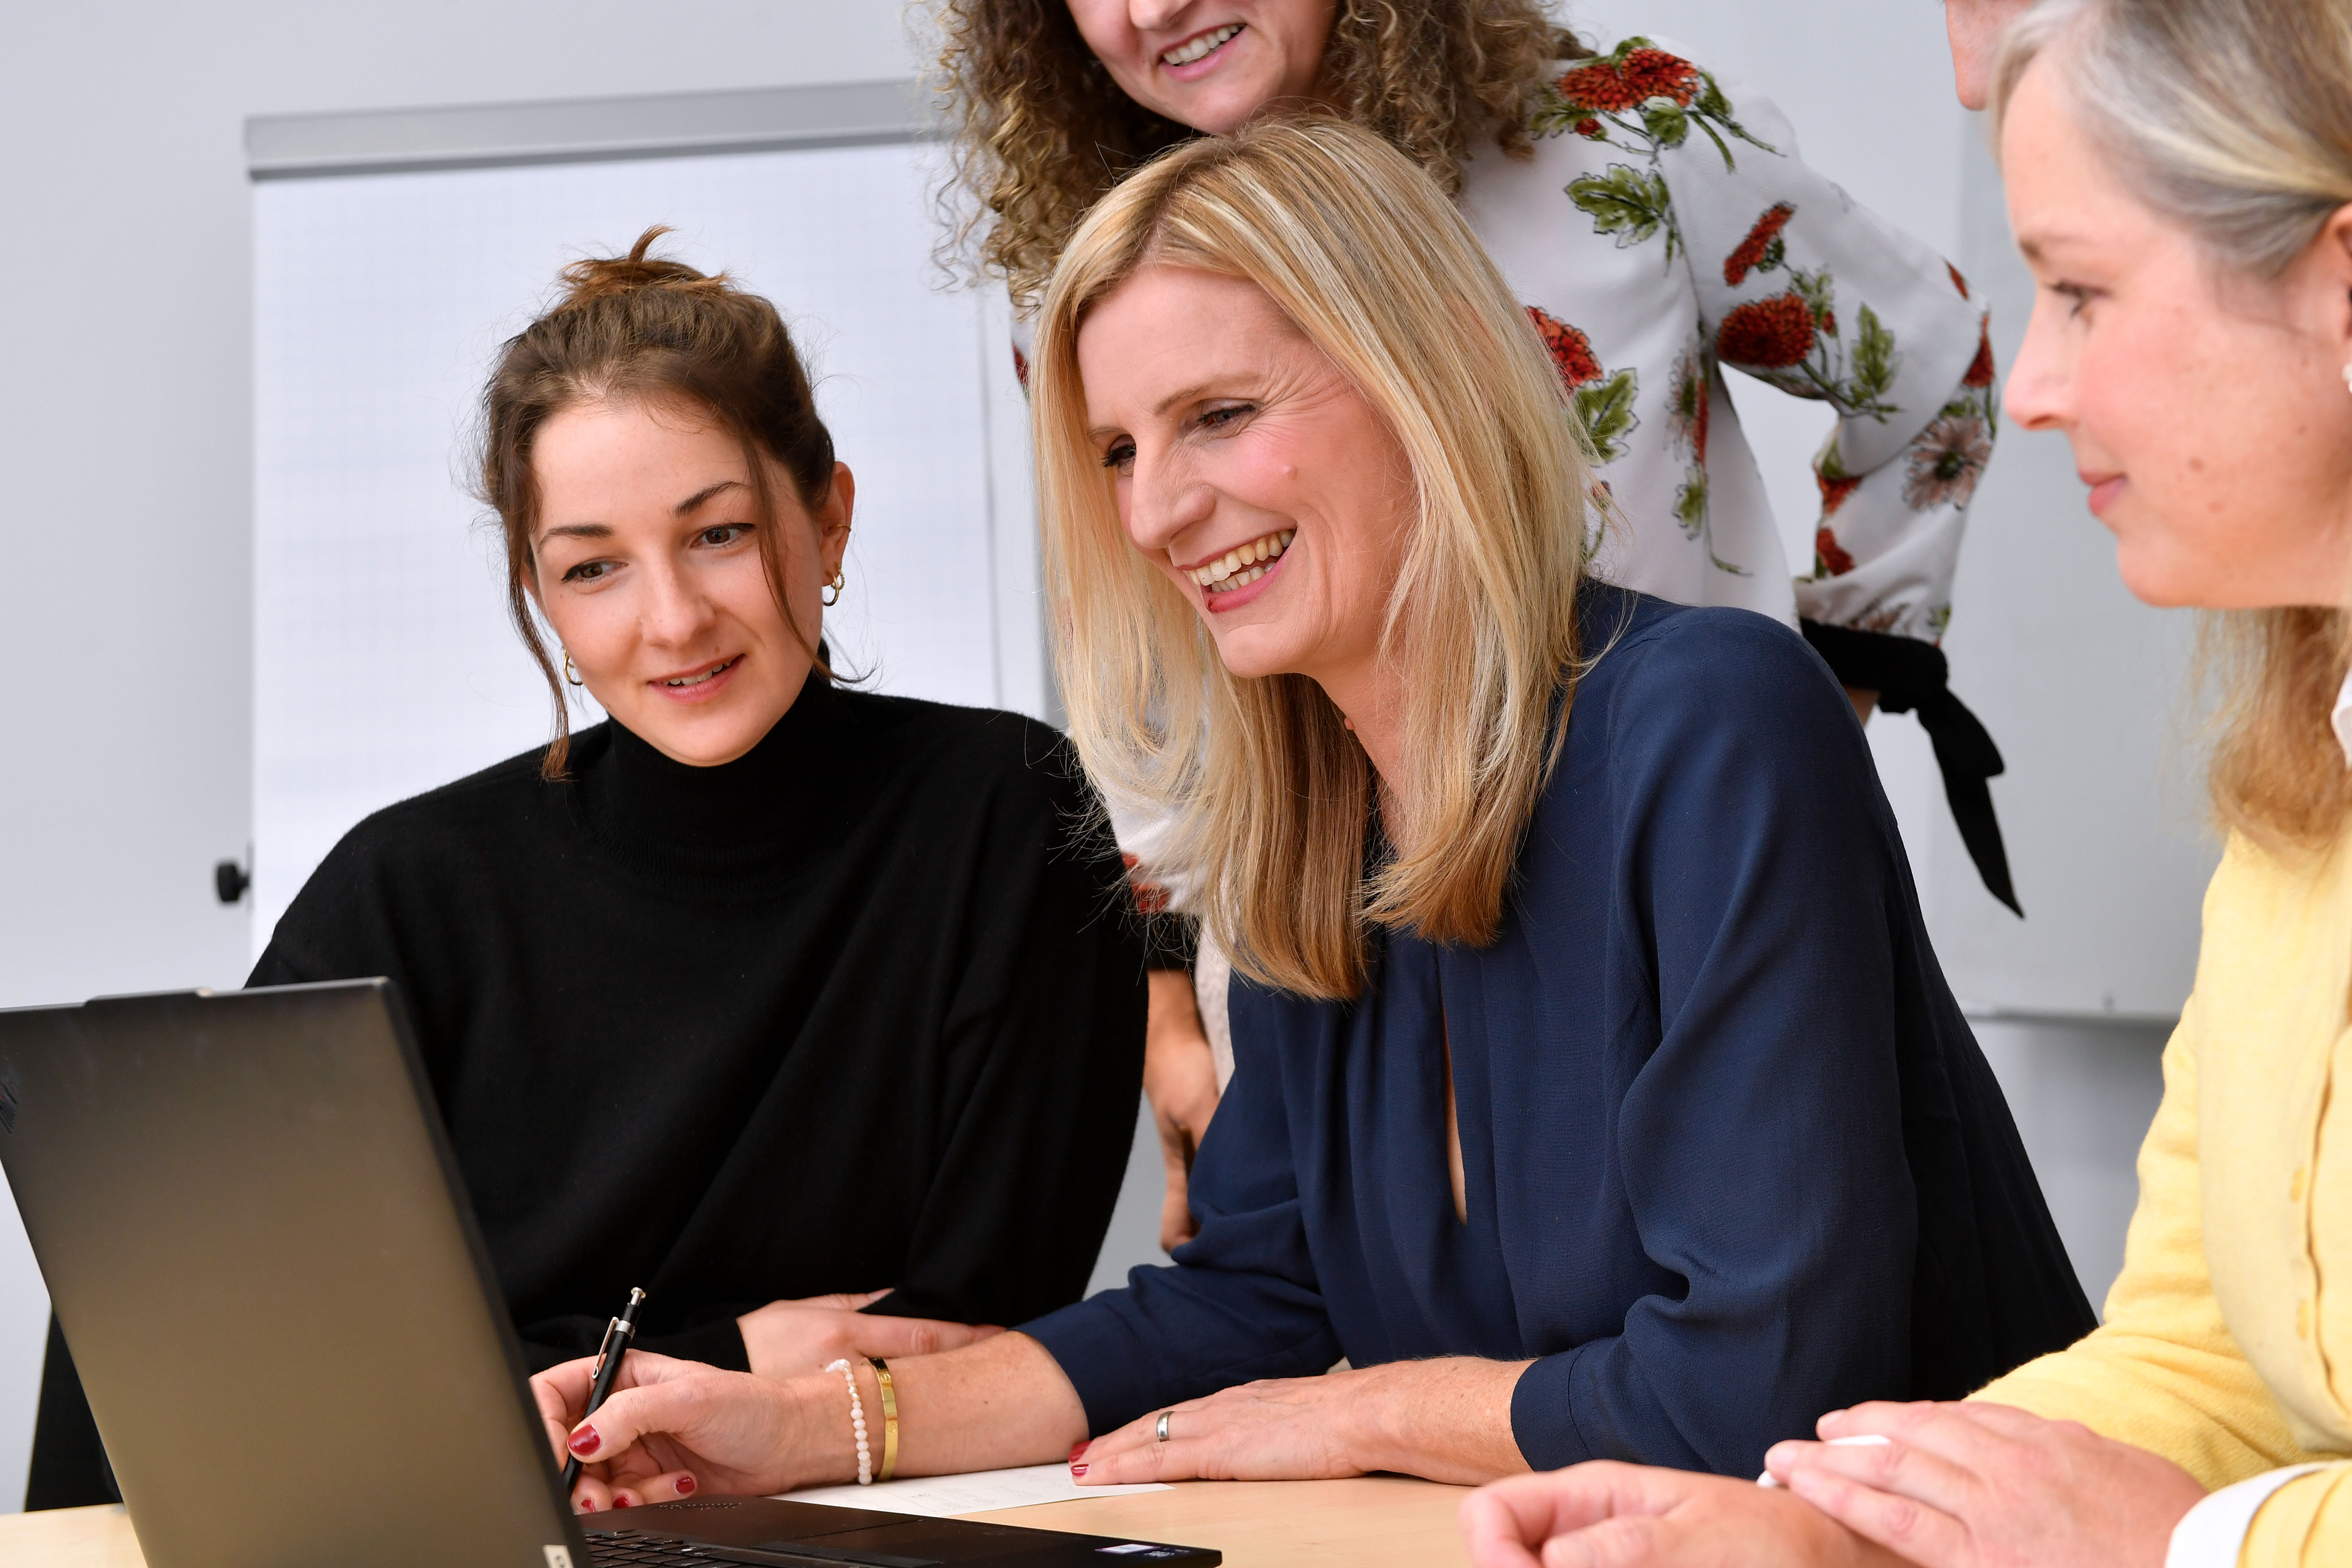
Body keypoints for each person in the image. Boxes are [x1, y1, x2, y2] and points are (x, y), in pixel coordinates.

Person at [512, 117, 2092, 1516]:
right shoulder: (1317, 828)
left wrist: (1371, 1410)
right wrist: (795, 1430)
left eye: (1218, 415)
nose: (1155, 510)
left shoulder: (1714, 720)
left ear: (1426, 379)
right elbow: (1250, 1299)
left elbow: (1750, 1386)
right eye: (1121, 450)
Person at [24, 233, 1152, 1510]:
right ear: (539, 593)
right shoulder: (408, 887)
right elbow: (170, 1351)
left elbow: (965, 1339)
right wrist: (737, 1356)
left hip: (852, 1526)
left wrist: (547, 1381)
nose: (670, 619)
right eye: (593, 566)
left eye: (718, 533)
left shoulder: (1003, 819)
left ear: (828, 514)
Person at [1458, 2, 2352, 1564]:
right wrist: (1812, 1524)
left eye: (2080, 292)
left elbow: (2200, 1504)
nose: (2032, 389)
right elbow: (2205, 1356)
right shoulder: (2301, 786)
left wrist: (2199, 1547)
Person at [934, 0, 2027, 1249]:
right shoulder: (1091, 280)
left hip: (1658, 899)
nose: (1152, 7)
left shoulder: (1628, 145)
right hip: (1316, 947)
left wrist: (1820, 702)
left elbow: (1926, 365)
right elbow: (1172, 654)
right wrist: (1168, 996)